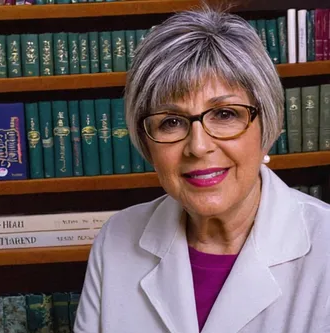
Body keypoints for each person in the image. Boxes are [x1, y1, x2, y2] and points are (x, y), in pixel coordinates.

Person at [73, 5, 330, 333]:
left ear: (267, 125)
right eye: (171, 122)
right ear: (146, 143)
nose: (198, 146)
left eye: (224, 114)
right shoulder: (116, 240)